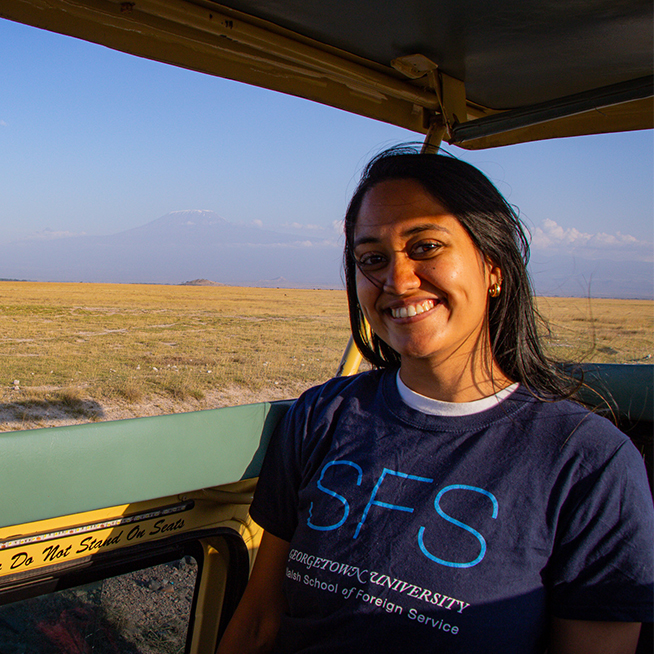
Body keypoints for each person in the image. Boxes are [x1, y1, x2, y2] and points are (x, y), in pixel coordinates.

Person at [217, 147, 653, 653]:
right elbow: (259, 622)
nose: (398, 282)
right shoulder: (324, 414)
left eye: (425, 247)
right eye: (372, 259)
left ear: (494, 268)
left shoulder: (587, 462)